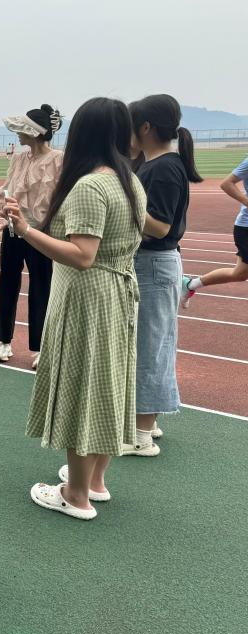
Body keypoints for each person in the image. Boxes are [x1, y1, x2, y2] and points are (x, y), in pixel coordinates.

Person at [3, 97, 147, 521]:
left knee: (81, 386)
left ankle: (76, 494)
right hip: (118, 293)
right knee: (107, 383)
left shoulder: (89, 186)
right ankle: (95, 480)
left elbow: (83, 255)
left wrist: (25, 230)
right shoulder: (129, 181)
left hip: (88, 297)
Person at [125, 94, 203, 456]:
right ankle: (147, 421)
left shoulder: (164, 168)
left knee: (150, 348)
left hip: (155, 264)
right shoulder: (154, 164)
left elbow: (159, 227)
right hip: (152, 264)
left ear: (145, 127)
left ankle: (141, 433)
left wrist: (122, 205)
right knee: (151, 344)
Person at [0, 104, 64, 368]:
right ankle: (3, 341)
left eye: (21, 129)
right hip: (12, 230)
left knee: (41, 289)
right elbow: (5, 192)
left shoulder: (58, 160)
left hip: (40, 234)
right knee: (7, 286)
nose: (17, 134)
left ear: (34, 132)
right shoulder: (18, 159)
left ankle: (40, 347)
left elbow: (60, 199)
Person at [180, 153, 248, 305]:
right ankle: (190, 284)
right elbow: (226, 184)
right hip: (246, 227)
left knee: (240, 273)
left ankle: (190, 284)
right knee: (240, 273)